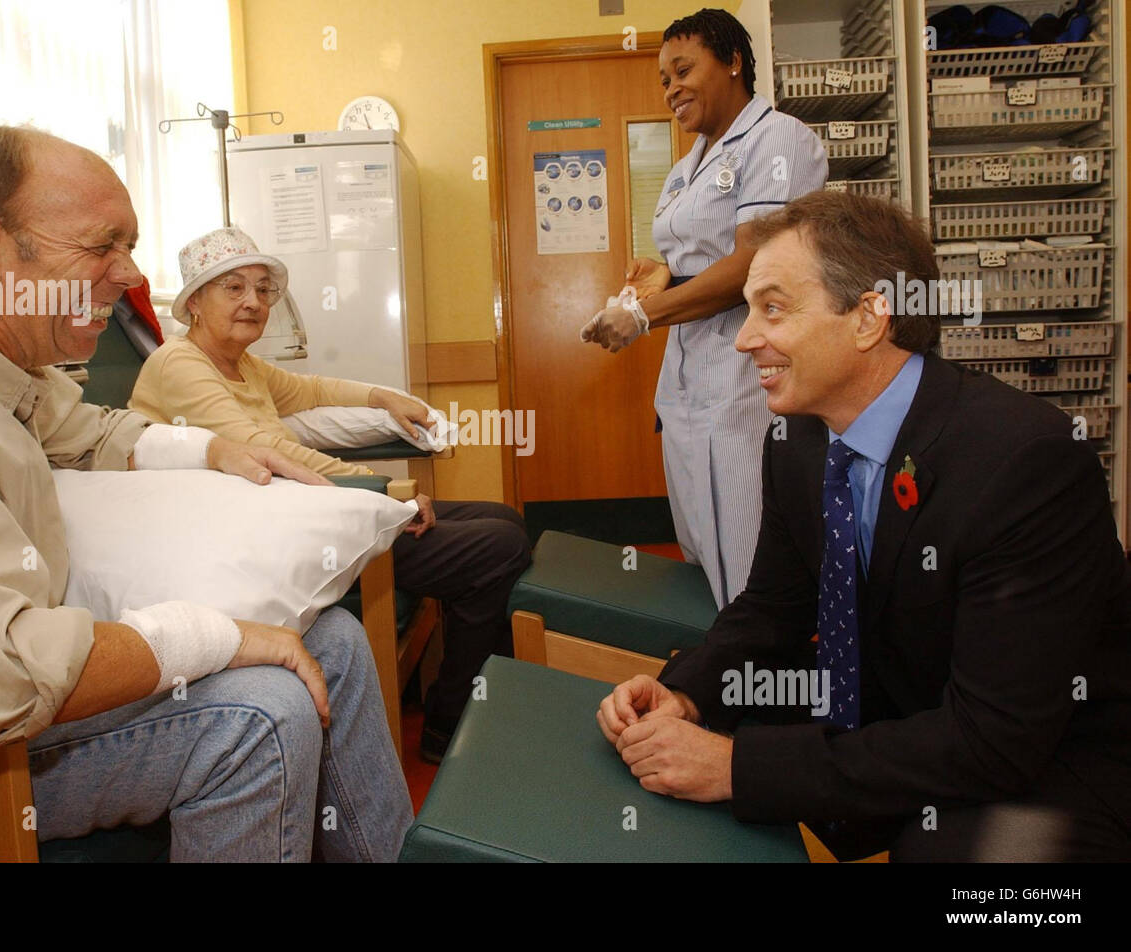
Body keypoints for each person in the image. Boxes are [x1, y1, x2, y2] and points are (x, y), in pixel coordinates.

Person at [0, 124, 412, 862]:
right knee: (262, 712)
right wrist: (213, 635)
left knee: (329, 637)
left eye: (130, 247)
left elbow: (86, 431)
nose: (127, 275)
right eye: (101, 246)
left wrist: (213, 448)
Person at [597, 190, 1131, 862]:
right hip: (910, 717)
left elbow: (993, 740)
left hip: (1055, 759)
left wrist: (738, 770)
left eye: (773, 308)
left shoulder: (1025, 463)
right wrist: (688, 692)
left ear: (869, 317)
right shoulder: (796, 440)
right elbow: (770, 612)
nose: (743, 338)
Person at [129, 227, 532, 762]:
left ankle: (478, 692)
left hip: (298, 509)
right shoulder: (179, 364)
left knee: (502, 518)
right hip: (258, 540)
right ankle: (450, 722)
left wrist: (383, 396)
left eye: (262, 289)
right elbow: (262, 446)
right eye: (233, 288)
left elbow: (311, 389)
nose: (254, 301)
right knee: (495, 550)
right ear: (194, 303)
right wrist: (385, 490)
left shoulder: (241, 364)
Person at [582, 9, 827, 609]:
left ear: (734, 61)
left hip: (749, 369)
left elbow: (753, 262)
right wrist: (660, 274)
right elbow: (699, 253)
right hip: (691, 369)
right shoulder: (685, 168)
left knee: (742, 546)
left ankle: (749, 684)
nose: (671, 89)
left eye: (683, 70)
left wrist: (646, 314)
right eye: (664, 79)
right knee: (697, 540)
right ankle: (710, 671)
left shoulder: (776, 140)